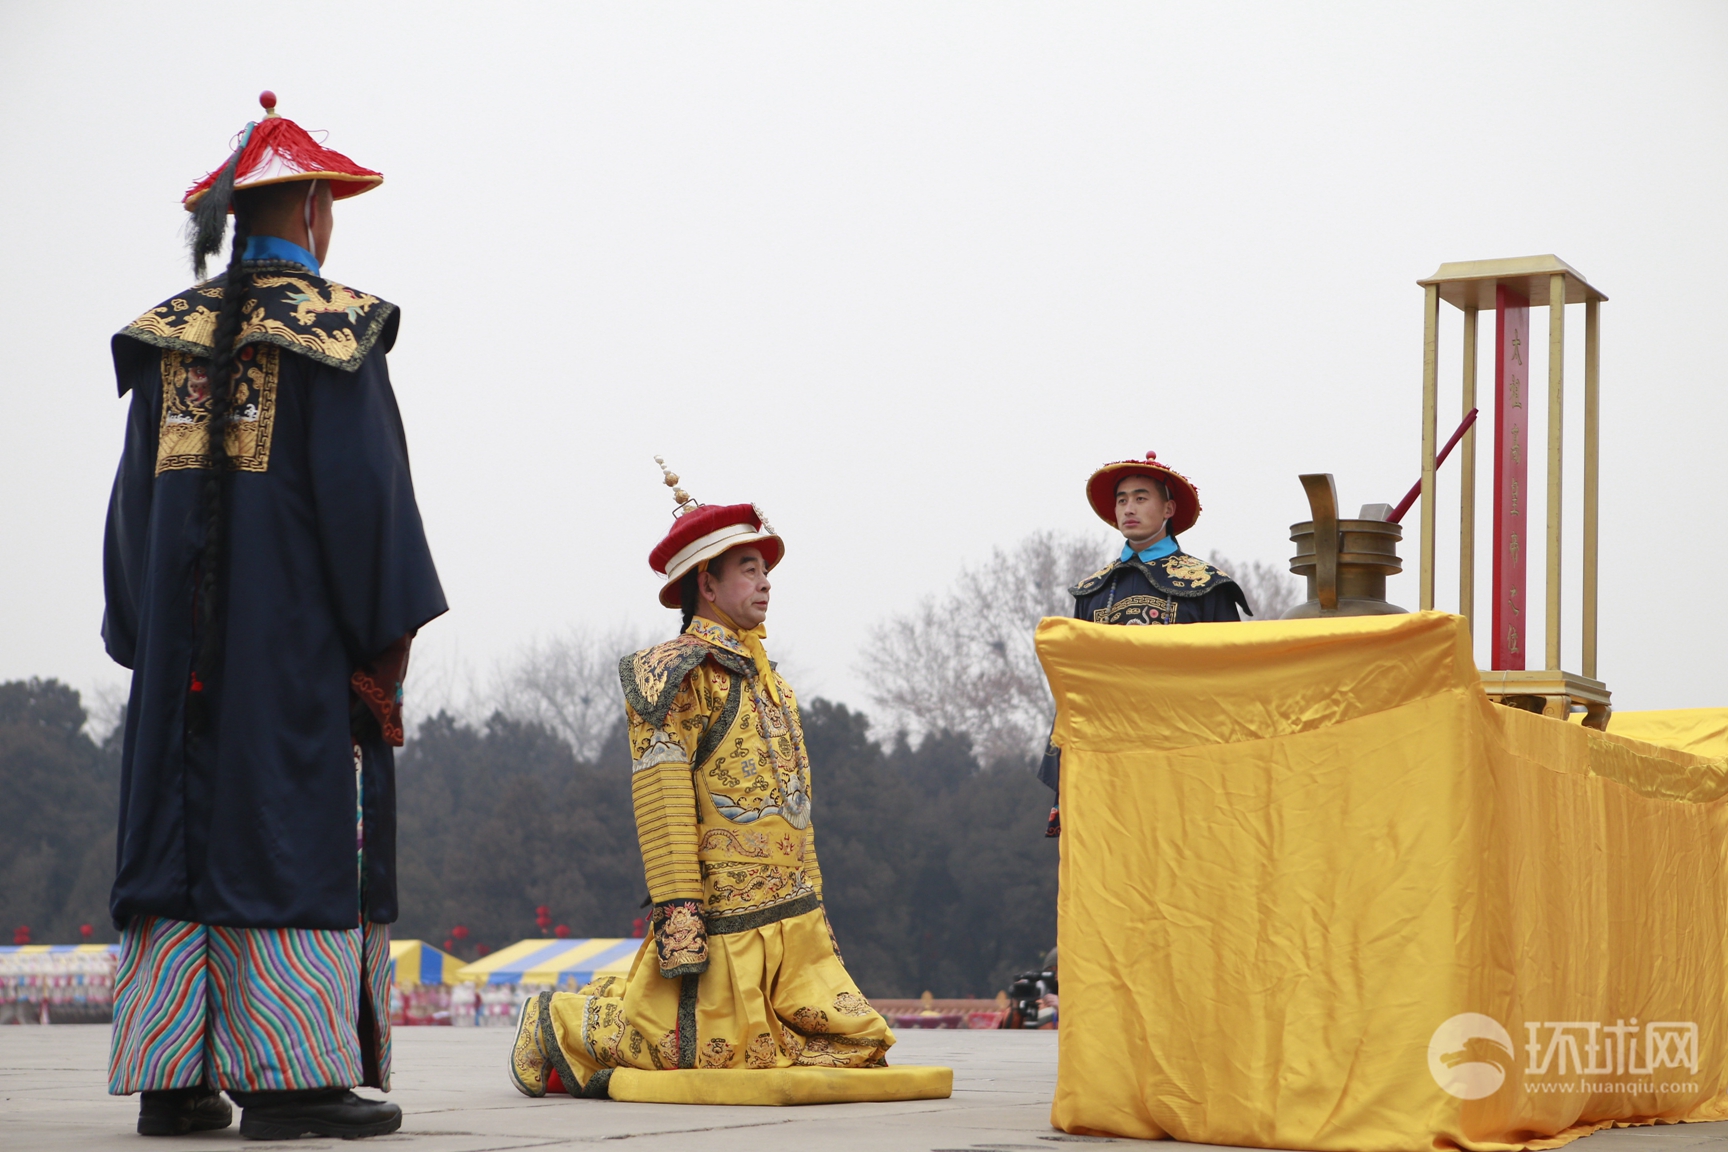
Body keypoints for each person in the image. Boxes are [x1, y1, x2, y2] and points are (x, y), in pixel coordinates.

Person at [102, 92, 445, 1140]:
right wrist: (380, 659)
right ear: (309, 211)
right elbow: (369, 507)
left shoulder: (169, 342)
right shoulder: (336, 336)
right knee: (290, 832)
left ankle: (176, 1079)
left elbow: (127, 529)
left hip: (178, 680)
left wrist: (150, 647)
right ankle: (296, 1082)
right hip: (287, 665)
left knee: (177, 839)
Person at [508, 465, 894, 1098]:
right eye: (748, 568)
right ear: (706, 582)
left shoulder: (774, 683)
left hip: (793, 918)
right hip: (721, 916)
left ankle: (618, 1002)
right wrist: (680, 917)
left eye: (765, 568)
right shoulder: (675, 677)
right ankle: (560, 1017)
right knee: (694, 1054)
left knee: (857, 1042)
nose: (765, 581)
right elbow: (660, 806)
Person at [1038, 451, 1249, 835]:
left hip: (1185, 751)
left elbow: (1233, 677)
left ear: (1168, 508)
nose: (1128, 508)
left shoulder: (1205, 584)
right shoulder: (1092, 590)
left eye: (1140, 497)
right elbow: (1075, 686)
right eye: (1121, 500)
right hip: (1109, 754)